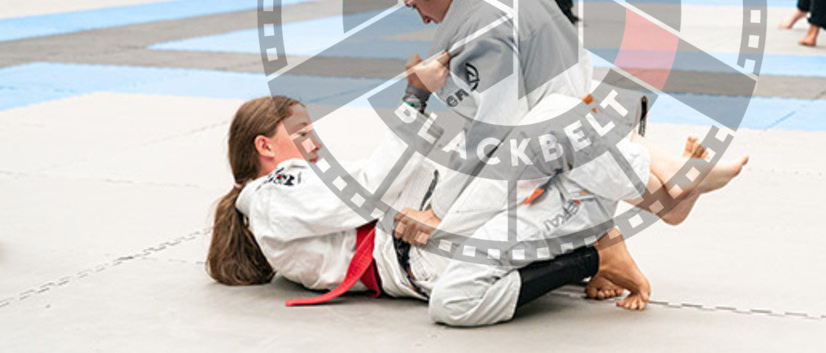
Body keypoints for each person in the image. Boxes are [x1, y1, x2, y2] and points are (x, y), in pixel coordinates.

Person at [377, 0, 749, 235]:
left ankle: (667, 176)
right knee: (580, 130)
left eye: (415, 5)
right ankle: (668, 174)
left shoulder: (475, 31)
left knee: (516, 152)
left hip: (560, 129)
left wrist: (442, 211)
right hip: (587, 103)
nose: (423, 19)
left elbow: (492, 133)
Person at [206, 96, 668, 327]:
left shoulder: (280, 199)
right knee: (527, 162)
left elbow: (375, 181)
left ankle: (603, 208)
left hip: (422, 238)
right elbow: (367, 189)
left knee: (519, 156)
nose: (315, 139)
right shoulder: (273, 193)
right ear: (265, 146)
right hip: (416, 249)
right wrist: (412, 103)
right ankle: (606, 198)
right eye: (302, 131)